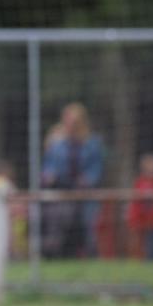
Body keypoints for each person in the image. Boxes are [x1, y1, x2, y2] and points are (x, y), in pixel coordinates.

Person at [41, 103, 105, 258]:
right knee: (58, 222)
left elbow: (97, 168)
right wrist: (49, 175)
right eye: (67, 121)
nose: (70, 125)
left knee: (88, 225)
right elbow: (48, 166)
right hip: (62, 192)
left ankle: (89, 256)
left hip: (85, 193)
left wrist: (88, 179)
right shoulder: (57, 145)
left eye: (73, 122)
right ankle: (56, 253)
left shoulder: (93, 144)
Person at [127, 153, 153, 260]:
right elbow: (135, 203)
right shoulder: (139, 182)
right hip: (140, 221)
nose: (151, 170)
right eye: (149, 167)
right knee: (139, 243)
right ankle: (139, 260)